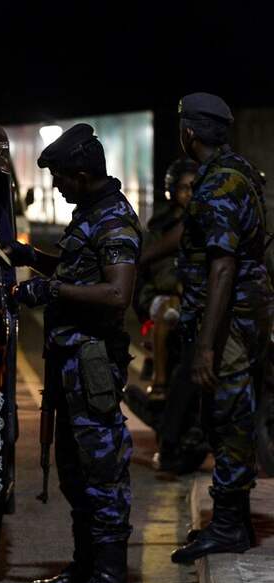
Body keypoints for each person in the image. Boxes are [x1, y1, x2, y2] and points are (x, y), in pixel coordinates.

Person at [7, 124, 140, 583]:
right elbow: (74, 271)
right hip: (70, 365)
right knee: (73, 471)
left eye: (61, 177)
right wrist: (34, 260)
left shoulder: (113, 221)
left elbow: (116, 293)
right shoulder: (90, 214)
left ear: (82, 174)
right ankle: (86, 569)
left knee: (102, 472)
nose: (57, 186)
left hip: (93, 365)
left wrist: (53, 292)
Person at [167, 93, 273, 564]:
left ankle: (230, 525)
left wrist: (207, 346)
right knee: (226, 412)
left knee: (229, 416)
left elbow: (222, 267)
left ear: (189, 133)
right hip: (243, 315)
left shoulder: (217, 185)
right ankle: (232, 521)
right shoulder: (236, 172)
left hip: (230, 321)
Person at [135, 158, 210, 474]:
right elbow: (151, 265)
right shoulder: (164, 227)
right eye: (183, 188)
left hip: (195, 301)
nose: (188, 194)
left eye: (194, 188)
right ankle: (161, 382)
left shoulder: (207, 222)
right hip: (166, 298)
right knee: (167, 318)